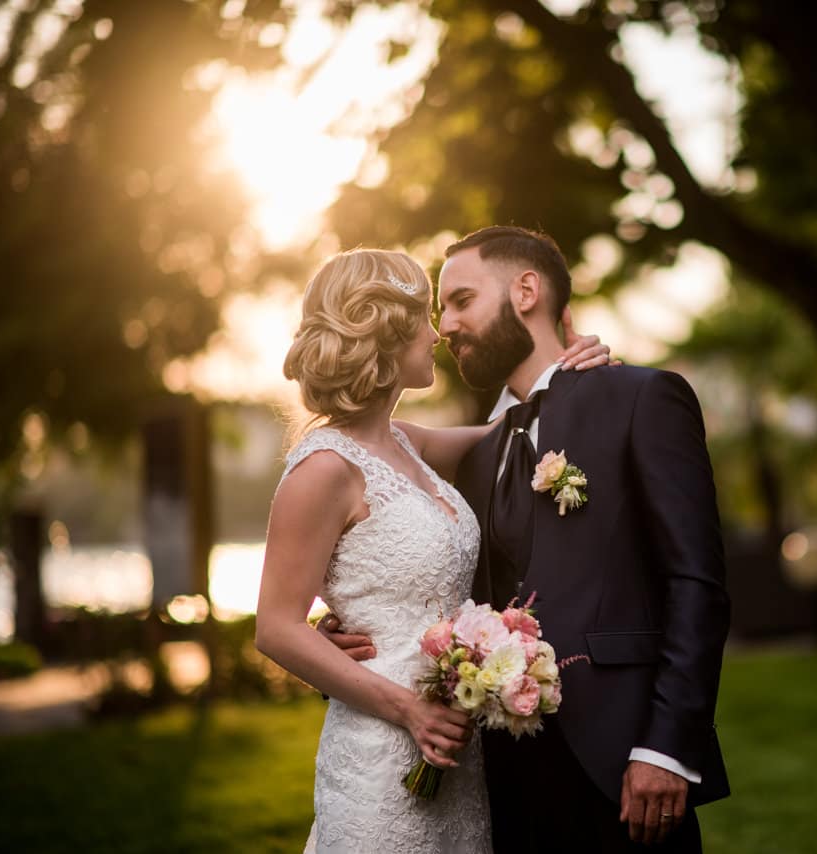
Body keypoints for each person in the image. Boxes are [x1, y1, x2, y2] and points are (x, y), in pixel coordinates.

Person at [324, 227, 731, 852]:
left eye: (461, 299)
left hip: (625, 762)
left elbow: (695, 583)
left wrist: (668, 749)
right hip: (499, 782)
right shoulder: (468, 454)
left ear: (526, 290)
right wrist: (342, 628)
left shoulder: (639, 398)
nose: (445, 326)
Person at [254, 247, 613, 854]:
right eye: (424, 316)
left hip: (459, 746)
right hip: (382, 748)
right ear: (384, 334)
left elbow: (516, 430)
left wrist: (570, 363)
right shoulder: (322, 470)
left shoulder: (408, 443)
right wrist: (408, 711)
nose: (438, 332)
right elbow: (275, 628)